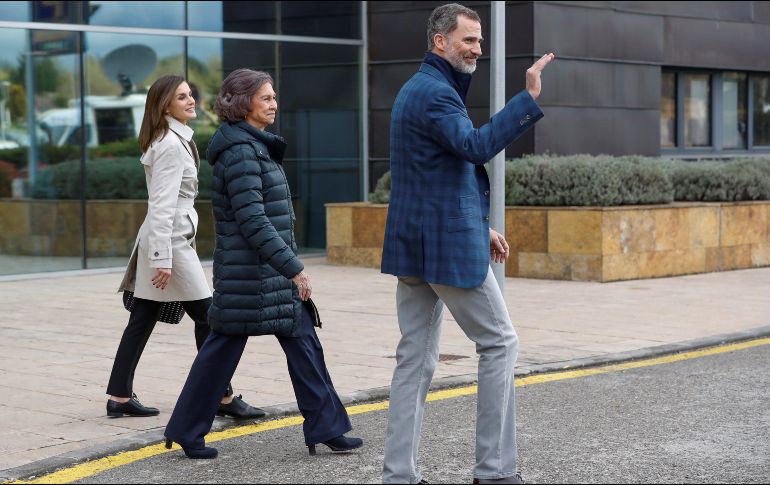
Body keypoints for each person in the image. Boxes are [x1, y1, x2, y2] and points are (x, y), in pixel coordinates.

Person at [380, 4, 555, 484]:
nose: (477, 49)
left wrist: (480, 228)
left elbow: (434, 180)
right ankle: (494, 471)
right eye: (469, 40)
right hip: (444, 250)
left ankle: (399, 475)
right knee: (500, 342)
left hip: (417, 247)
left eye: (479, 40)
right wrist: (527, 98)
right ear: (440, 41)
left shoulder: (417, 88)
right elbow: (475, 147)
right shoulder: (436, 93)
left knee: (415, 360)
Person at [163, 68, 362, 459]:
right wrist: (294, 267)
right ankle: (186, 430)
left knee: (305, 346)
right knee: (220, 353)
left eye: (274, 97)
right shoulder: (240, 152)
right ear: (243, 103)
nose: (274, 104)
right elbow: (253, 220)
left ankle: (326, 427)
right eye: (266, 98)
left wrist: (286, 266)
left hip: (269, 273)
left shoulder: (254, 146)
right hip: (250, 276)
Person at [107, 75, 264, 421]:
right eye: (181, 97)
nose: (191, 100)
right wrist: (162, 258)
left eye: (190, 94)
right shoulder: (169, 145)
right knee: (209, 318)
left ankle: (119, 396)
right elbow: (161, 205)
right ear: (165, 105)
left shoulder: (175, 138)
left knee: (142, 317)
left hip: (170, 239)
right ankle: (222, 397)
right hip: (171, 243)